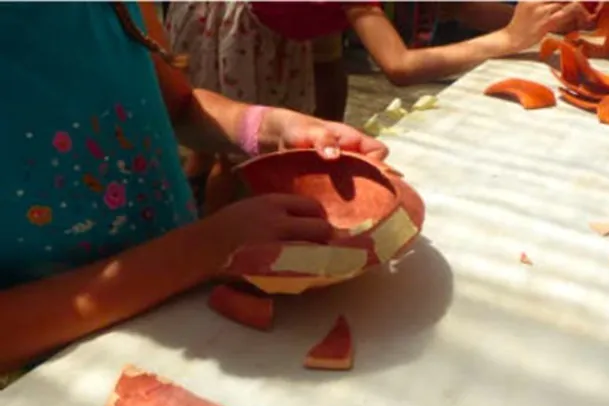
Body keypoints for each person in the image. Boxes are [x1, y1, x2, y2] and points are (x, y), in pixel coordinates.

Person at [0, 2, 387, 381]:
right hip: (60, 378)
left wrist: (269, 126)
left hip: (187, 313)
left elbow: (180, 107)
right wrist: (205, 248)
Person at [166, 1, 594, 119]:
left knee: (306, 106)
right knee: (241, 147)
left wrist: (545, 23)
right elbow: (399, 66)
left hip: (297, 22)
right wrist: (508, 38)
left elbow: (460, 8)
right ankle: (227, 237)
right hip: (239, 27)